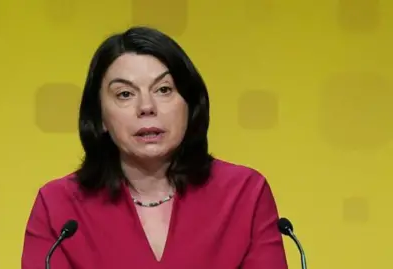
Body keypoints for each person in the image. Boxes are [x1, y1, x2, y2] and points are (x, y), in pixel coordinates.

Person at [21, 26, 288, 269]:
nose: (146, 107)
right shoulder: (59, 207)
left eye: (163, 89)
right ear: (100, 117)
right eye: (125, 94)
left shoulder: (244, 195)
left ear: (190, 104)